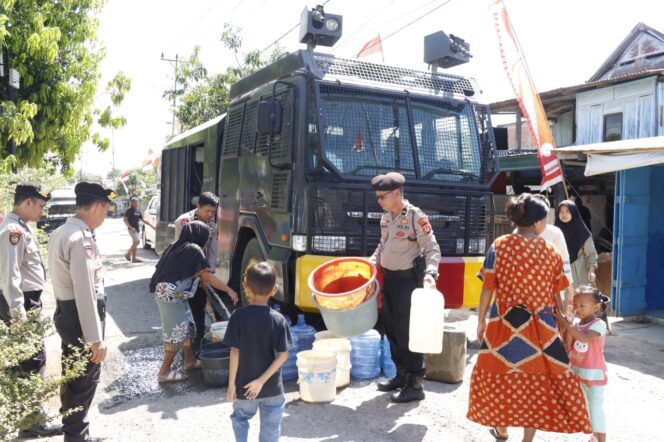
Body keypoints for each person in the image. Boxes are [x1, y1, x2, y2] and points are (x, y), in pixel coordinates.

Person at [467, 193, 591, 442]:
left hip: (503, 326)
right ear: (537, 223)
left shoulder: (499, 246)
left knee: (501, 377)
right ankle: (527, 440)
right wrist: (562, 326)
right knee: (537, 381)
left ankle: (501, 430)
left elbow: (488, 287)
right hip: (541, 330)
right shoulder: (551, 252)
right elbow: (556, 294)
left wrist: (481, 320)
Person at [48, 182, 115, 442]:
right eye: (106, 210)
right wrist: (95, 338)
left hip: (67, 313)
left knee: (73, 374)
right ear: (97, 206)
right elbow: (85, 291)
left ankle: (74, 431)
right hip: (81, 316)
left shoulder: (62, 232)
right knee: (84, 380)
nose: (105, 216)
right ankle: (77, 436)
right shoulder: (80, 238)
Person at [369, 172, 441, 403]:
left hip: (408, 283)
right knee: (390, 330)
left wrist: (431, 273)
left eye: (382, 196)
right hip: (389, 281)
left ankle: (415, 384)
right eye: (378, 197)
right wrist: (370, 264)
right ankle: (400, 376)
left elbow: (432, 248)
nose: (379, 200)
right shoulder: (386, 218)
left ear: (397, 193)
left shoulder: (414, 217)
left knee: (409, 334)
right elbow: (382, 246)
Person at [0, 184, 63, 437]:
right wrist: (18, 313)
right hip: (21, 302)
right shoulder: (13, 230)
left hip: (26, 300)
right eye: (40, 205)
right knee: (31, 359)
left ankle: (25, 418)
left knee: (26, 360)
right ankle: (31, 421)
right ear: (27, 203)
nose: (42, 211)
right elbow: (9, 275)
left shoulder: (19, 227)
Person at [149, 221, 238, 383]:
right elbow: (206, 276)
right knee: (175, 333)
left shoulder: (178, 246)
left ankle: (189, 361)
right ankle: (164, 372)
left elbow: (197, 276)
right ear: (200, 236)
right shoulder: (194, 249)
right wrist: (228, 290)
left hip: (175, 294)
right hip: (170, 297)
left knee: (188, 328)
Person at [223, 261, 291, 442]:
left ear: (245, 287)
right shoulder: (278, 320)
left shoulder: (238, 317)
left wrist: (231, 386)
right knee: (271, 431)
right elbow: (283, 355)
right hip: (272, 389)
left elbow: (235, 352)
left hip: (245, 388)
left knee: (240, 419)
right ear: (274, 289)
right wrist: (261, 381)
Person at [557, 285, 610, 442]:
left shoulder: (599, 325)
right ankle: (594, 436)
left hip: (594, 376)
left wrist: (567, 325)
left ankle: (601, 439)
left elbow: (584, 338)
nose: (577, 309)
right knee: (586, 407)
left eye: (582, 306)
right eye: (575, 305)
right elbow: (568, 345)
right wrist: (568, 325)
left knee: (596, 408)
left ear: (595, 307)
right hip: (578, 373)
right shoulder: (576, 324)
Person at [174, 192, 221, 354]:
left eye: (213, 212)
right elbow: (181, 251)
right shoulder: (183, 222)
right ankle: (184, 346)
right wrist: (197, 273)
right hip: (183, 272)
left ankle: (198, 342)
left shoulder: (213, 224)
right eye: (207, 211)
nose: (210, 215)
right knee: (183, 311)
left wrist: (209, 272)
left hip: (201, 271)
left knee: (199, 306)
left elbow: (212, 250)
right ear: (198, 206)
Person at [555, 200, 598, 288]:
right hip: (563, 277)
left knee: (583, 300)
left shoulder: (583, 233)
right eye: (561, 212)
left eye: (567, 211)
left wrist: (591, 271)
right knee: (567, 301)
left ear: (574, 213)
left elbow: (591, 254)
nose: (564, 214)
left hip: (582, 275)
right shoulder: (555, 233)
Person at [123, 196, 155, 263]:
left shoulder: (137, 211)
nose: (137, 203)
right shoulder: (129, 210)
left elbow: (143, 220)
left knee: (135, 243)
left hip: (137, 229)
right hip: (132, 229)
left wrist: (152, 225)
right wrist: (131, 227)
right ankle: (128, 253)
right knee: (137, 242)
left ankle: (134, 259)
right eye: (135, 202)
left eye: (137, 202)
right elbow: (125, 220)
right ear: (131, 203)